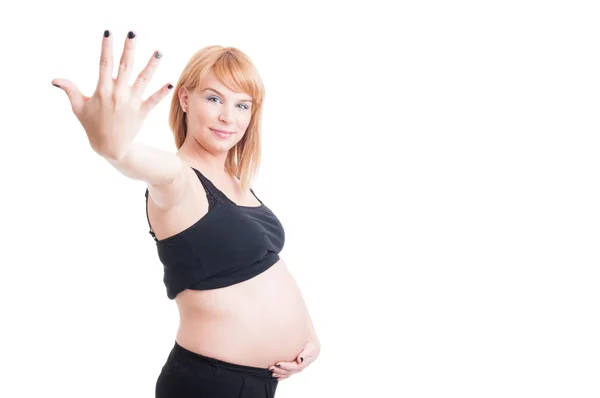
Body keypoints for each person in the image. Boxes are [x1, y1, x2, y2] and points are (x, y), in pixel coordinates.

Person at [52, 30, 321, 398]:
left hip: (258, 383)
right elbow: (136, 160)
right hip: (208, 385)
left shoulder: (234, 181)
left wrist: (309, 334)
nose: (229, 117)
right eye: (214, 98)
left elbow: (269, 265)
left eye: (242, 105)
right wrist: (114, 147)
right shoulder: (177, 179)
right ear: (184, 99)